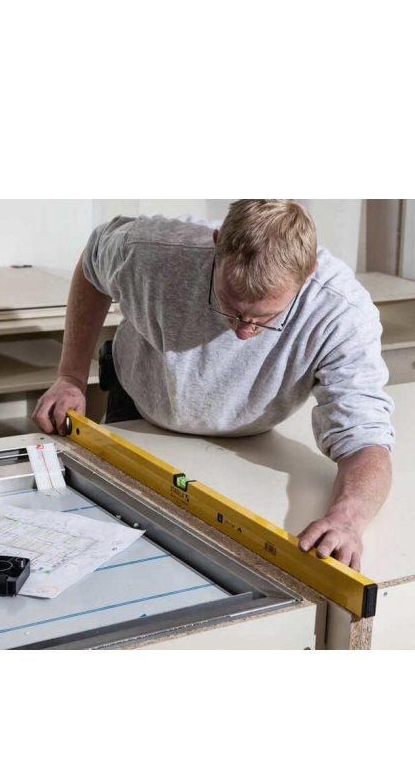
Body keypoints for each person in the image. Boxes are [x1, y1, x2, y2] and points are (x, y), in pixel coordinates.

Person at [33, 200, 394, 571]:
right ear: (216, 245)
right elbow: (92, 264)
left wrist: (348, 519)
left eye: (265, 318)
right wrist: (70, 376)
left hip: (253, 438)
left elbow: (366, 439)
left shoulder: (342, 310)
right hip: (140, 409)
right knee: (117, 548)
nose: (244, 331)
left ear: (309, 272)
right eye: (232, 308)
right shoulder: (149, 250)